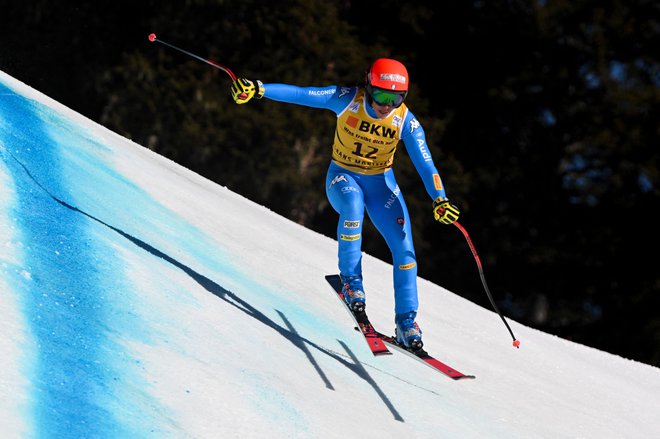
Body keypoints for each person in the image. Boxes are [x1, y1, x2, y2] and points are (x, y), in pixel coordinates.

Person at [230, 58, 460, 351]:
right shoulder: (348, 100)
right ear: (368, 85)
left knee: (405, 252)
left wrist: (440, 199)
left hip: (381, 185)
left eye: (396, 97)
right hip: (342, 176)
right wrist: (260, 89)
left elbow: (426, 165)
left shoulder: (406, 122)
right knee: (353, 205)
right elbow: (303, 94)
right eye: (381, 95)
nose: (386, 105)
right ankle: (352, 282)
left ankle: (406, 322)